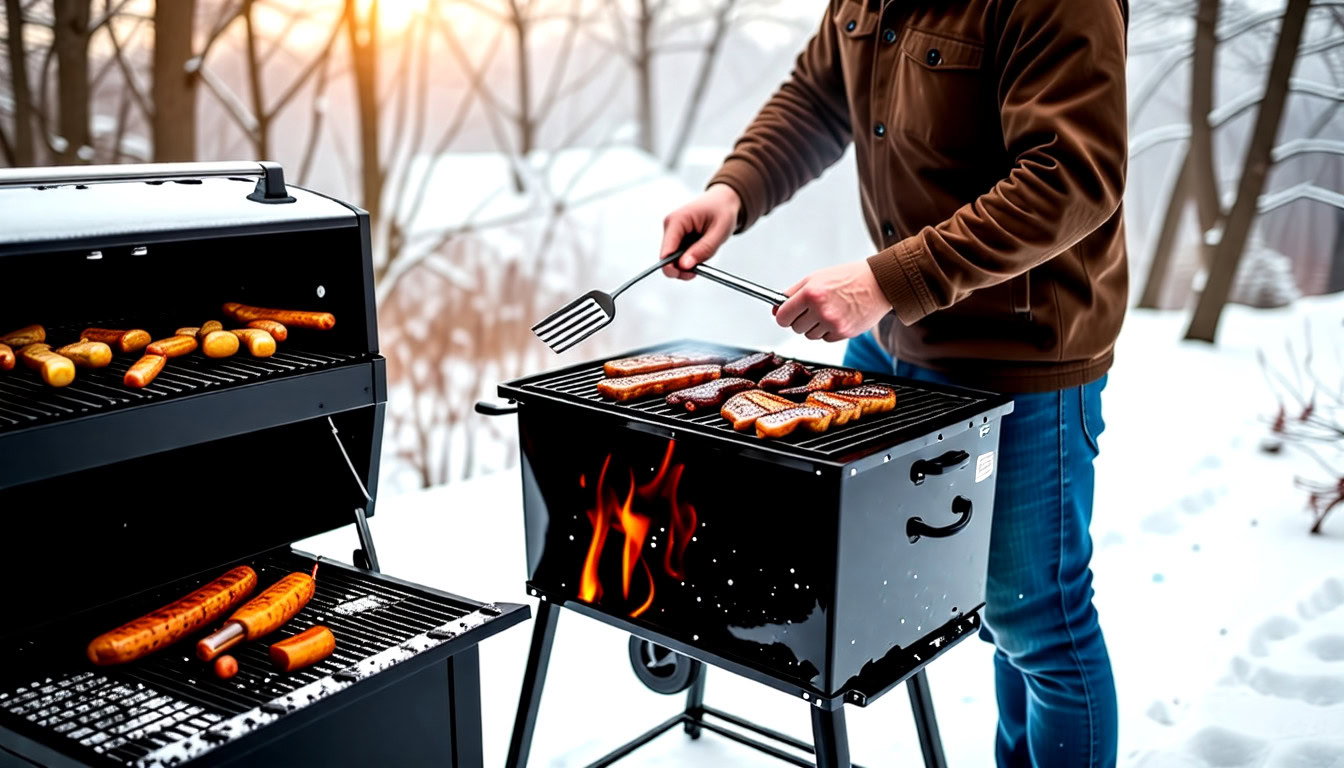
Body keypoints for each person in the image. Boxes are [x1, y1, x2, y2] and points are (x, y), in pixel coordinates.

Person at [658, 0, 1129, 765]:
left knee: (1040, 624)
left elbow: (1070, 178)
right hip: (895, 343)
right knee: (985, 613)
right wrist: (733, 191)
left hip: (1023, 362)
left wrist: (884, 280)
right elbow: (818, 94)